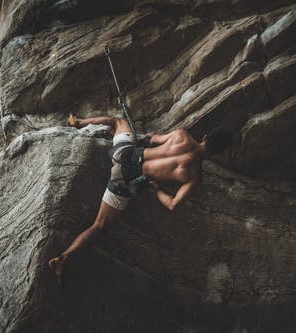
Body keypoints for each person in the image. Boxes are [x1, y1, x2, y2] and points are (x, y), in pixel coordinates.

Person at [48, 114, 232, 286]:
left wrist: (153, 138)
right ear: (219, 153)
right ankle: (63, 259)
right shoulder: (195, 176)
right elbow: (173, 204)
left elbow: (153, 139)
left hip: (123, 154)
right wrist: (157, 189)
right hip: (126, 180)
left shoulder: (181, 135)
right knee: (99, 225)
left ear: (206, 136)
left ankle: (77, 122)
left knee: (118, 121)